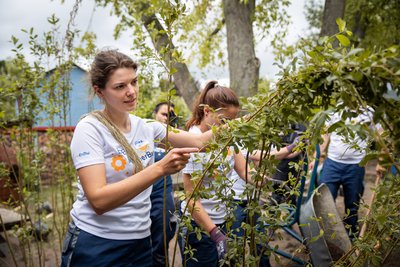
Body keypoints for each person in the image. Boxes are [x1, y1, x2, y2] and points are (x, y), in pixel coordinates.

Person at [60, 49, 217, 267]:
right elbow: (98, 200)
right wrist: (160, 168)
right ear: (100, 91)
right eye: (120, 86)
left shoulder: (147, 127)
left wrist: (243, 122)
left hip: (141, 242)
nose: (131, 91)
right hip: (98, 243)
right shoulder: (89, 130)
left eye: (134, 82)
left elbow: (200, 142)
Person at [178, 81, 265, 266]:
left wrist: (261, 180)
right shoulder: (193, 143)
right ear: (207, 111)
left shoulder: (226, 138)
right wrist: (214, 233)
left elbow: (242, 169)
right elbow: (192, 199)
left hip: (223, 219)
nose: (229, 127)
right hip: (200, 226)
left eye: (232, 122)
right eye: (224, 122)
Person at [310, 108, 374, 239]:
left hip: (356, 165)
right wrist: (317, 155)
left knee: (352, 203)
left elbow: (378, 133)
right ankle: (326, 236)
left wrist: (381, 162)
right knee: (324, 199)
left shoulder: (368, 112)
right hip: (332, 164)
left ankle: (351, 237)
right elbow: (326, 134)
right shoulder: (335, 111)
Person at [150, 101, 177, 266]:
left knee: (161, 243)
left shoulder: (174, 138)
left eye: (171, 116)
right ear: (155, 114)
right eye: (164, 114)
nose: (168, 119)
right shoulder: (144, 133)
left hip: (162, 195)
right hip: (141, 194)